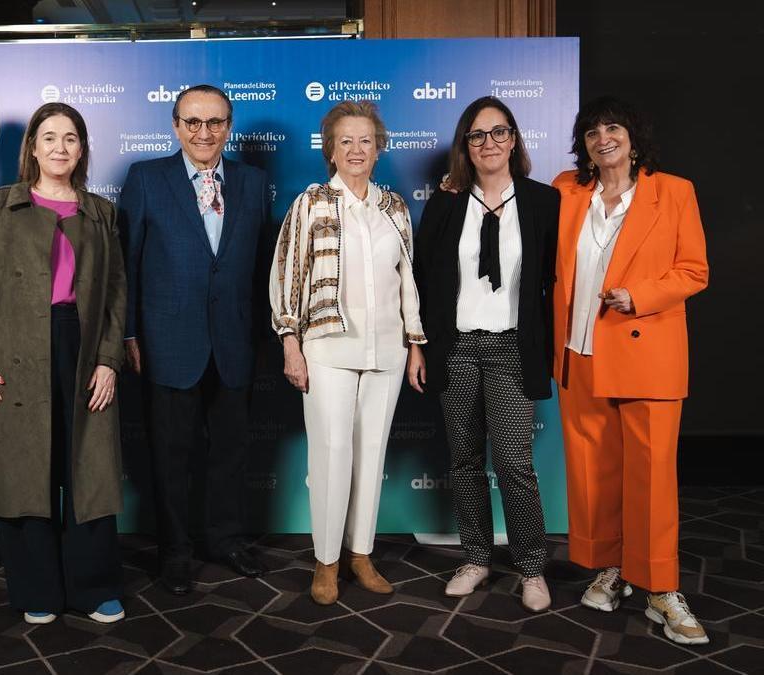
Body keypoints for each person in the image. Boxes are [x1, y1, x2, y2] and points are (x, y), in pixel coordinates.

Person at [0, 103, 127, 624]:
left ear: (82, 149)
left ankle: (93, 588)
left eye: (71, 138)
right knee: (24, 470)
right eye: (49, 137)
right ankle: (37, 590)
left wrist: (108, 360)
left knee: (88, 469)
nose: (60, 147)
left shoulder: (101, 212)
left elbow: (117, 293)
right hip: (13, 350)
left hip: (82, 348)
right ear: (32, 147)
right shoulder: (0, 206)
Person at [553, 96, 709, 644]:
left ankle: (661, 587)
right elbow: (519, 221)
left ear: (634, 139)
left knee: (651, 477)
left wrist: (637, 295)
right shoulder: (566, 189)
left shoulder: (674, 192)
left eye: (613, 127)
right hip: (580, 351)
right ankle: (613, 566)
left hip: (645, 352)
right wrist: (460, 192)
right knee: (596, 475)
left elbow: (694, 269)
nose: (603, 138)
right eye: (592, 131)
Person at [269, 100, 425, 605]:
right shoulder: (310, 203)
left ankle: (361, 553)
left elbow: (408, 281)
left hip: (388, 350)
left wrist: (415, 342)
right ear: (330, 150)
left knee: (371, 453)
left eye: (366, 140)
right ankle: (326, 561)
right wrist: (290, 343)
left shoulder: (395, 207)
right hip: (326, 348)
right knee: (332, 454)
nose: (356, 150)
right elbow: (287, 276)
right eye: (345, 141)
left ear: (379, 148)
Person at [119, 84, 270, 595]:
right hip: (167, 343)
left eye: (215, 122)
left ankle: (225, 539)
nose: (203, 133)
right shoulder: (146, 179)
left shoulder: (252, 182)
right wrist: (130, 333)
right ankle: (175, 551)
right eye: (192, 123)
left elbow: (258, 270)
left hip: (233, 342)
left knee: (230, 452)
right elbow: (128, 264)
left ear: (228, 126)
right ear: (176, 126)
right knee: (171, 455)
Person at [410, 96, 559, 612]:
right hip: (458, 348)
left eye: (499, 132)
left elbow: (558, 281)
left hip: (513, 349)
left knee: (515, 463)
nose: (489, 142)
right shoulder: (448, 202)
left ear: (514, 140)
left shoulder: (543, 202)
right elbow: (424, 279)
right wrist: (421, 346)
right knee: (465, 462)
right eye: (478, 135)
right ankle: (475, 556)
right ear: (465, 147)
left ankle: (531, 566)